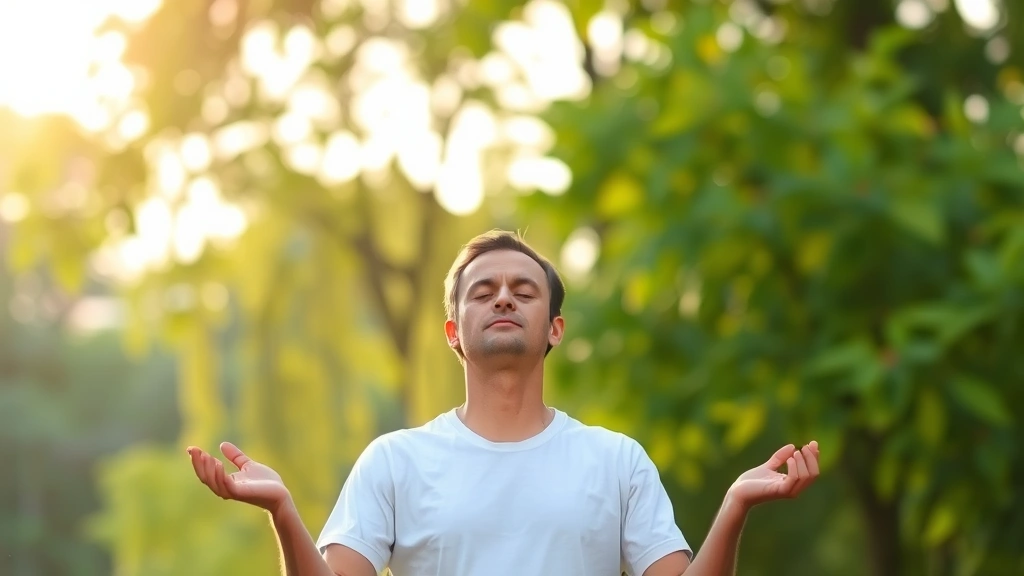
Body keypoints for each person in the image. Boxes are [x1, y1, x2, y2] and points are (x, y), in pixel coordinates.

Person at [187, 230, 820, 576]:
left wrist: (735, 505)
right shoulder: (395, 461)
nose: (503, 299)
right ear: (453, 332)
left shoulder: (616, 461)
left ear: (555, 329)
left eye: (523, 290)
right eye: (482, 291)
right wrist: (283, 511)